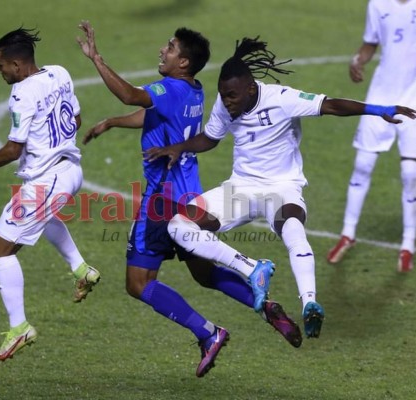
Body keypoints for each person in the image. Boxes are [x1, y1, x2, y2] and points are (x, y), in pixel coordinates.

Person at [145, 37, 416, 339]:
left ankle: (310, 303)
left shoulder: (281, 98)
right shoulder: (227, 101)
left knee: (292, 229)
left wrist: (379, 109)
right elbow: (211, 137)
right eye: (224, 95)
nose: (227, 102)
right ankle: (252, 269)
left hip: (282, 188)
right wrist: (179, 147)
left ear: (251, 88)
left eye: (233, 96)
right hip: (241, 189)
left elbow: (330, 105)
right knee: (179, 227)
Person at [77, 21, 302, 377]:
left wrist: (96, 58)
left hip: (161, 201)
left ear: (183, 62)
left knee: (138, 283)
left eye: (170, 47)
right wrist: (113, 122)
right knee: (204, 274)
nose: (162, 51)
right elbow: (151, 113)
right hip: (191, 197)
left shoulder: (168, 88)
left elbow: (132, 96)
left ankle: (208, 332)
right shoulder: (194, 90)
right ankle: (265, 306)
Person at [0, 27, 101, 362]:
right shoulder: (59, 72)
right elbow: (76, 119)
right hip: (71, 172)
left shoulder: (21, 92)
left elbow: (11, 149)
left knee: (1, 249)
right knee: (42, 219)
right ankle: (81, 269)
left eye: (1, 65)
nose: (0, 71)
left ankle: (18, 326)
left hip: (46, 181)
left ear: (18, 65)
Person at [327, 0, 416, 272]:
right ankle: (347, 234)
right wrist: (358, 60)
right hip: (381, 94)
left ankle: (407, 244)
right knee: (363, 164)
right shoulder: (378, 3)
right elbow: (370, 43)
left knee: (411, 173)